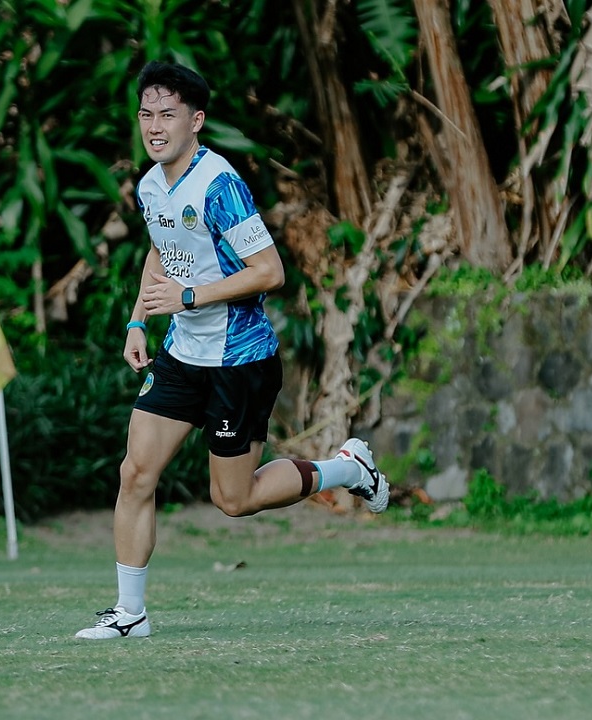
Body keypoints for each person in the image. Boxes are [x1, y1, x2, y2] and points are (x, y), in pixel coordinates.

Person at [75, 61, 389, 640]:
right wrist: (138, 320)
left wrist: (190, 296)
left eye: (167, 115)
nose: (154, 126)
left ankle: (346, 467)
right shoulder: (150, 184)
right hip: (181, 356)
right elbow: (162, 249)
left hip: (238, 361)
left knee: (234, 499)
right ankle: (130, 613)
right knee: (135, 473)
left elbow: (269, 271)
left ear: (196, 121)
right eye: (146, 114)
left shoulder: (219, 185)